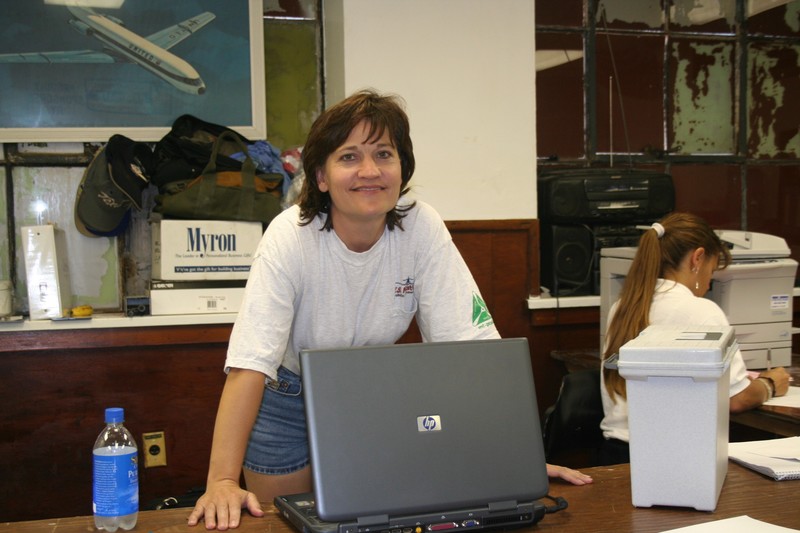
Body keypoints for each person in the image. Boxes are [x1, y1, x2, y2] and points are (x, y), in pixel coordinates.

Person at [188, 90, 591, 530]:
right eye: (349, 157)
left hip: (373, 395)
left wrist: (515, 459)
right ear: (321, 176)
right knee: (284, 523)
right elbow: (249, 364)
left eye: (383, 154)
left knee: (372, 521)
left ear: (402, 168)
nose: (370, 171)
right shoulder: (289, 238)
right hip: (286, 394)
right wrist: (221, 480)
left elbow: (473, 349)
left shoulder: (421, 225)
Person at [598, 212, 791, 465]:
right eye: (712, 270)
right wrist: (771, 383)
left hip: (617, 453)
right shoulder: (701, 311)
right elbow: (737, 399)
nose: (709, 282)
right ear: (697, 258)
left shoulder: (623, 307)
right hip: (673, 460)